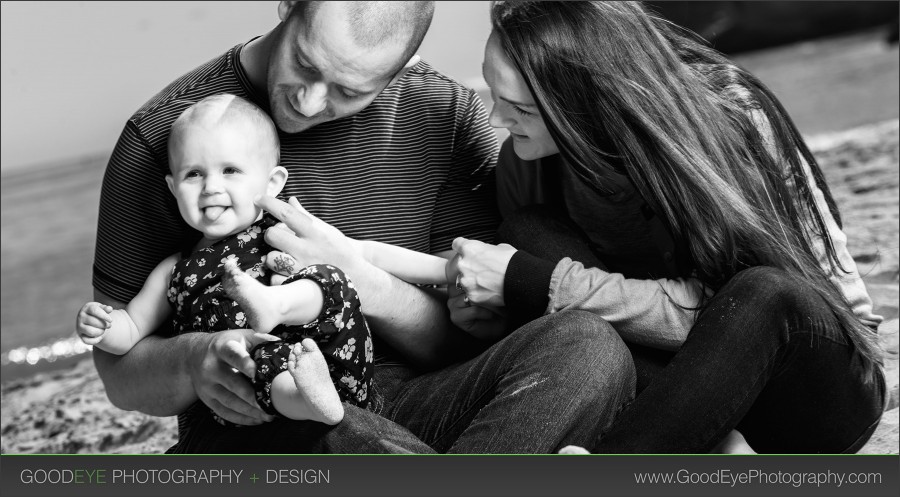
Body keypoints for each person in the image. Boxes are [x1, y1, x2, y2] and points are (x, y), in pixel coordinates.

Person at [93, 1, 625, 453]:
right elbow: (121, 375)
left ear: (401, 71)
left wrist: (359, 280)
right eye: (304, 63)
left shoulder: (446, 116)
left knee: (589, 346)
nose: (307, 102)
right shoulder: (168, 135)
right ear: (289, 4)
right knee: (323, 424)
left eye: (349, 92)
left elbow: (468, 344)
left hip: (409, 405)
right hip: (265, 414)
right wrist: (193, 358)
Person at [448, 1, 886, 453]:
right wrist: (486, 306)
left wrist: (530, 282)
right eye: (493, 96)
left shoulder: (728, 117)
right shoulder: (527, 169)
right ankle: (719, 447)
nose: (498, 121)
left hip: (810, 382)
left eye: (520, 108)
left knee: (764, 291)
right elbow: (584, 326)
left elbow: (738, 315)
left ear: (589, 102)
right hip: (674, 394)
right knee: (526, 233)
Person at [79, 94, 371, 426]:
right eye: (193, 175)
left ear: (272, 183)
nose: (211, 187)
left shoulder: (286, 233)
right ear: (174, 189)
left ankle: (274, 305)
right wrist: (102, 326)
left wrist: (438, 269)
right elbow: (130, 329)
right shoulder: (176, 271)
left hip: (335, 352)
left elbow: (363, 256)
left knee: (330, 277)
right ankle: (310, 401)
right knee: (259, 355)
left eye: (229, 170)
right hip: (252, 398)